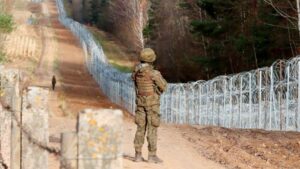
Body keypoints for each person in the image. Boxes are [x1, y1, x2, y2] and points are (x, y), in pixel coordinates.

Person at [132, 48, 167, 163]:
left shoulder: (136, 73)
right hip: (152, 105)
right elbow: (164, 87)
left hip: (140, 104)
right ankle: (152, 156)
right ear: (152, 60)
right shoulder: (154, 74)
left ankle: (137, 155)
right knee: (152, 129)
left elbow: (135, 84)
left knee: (140, 128)